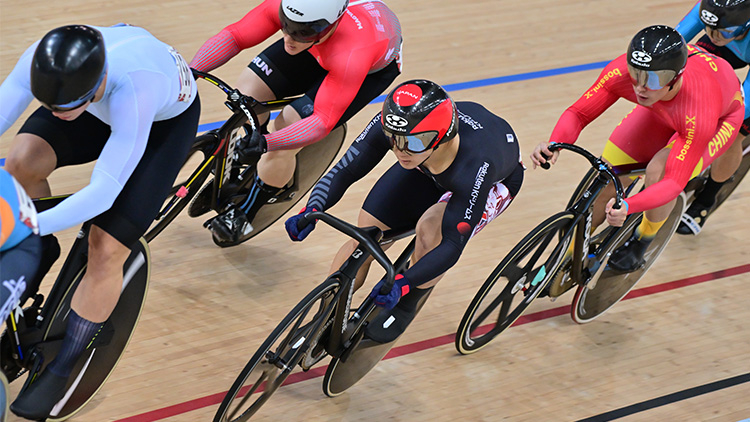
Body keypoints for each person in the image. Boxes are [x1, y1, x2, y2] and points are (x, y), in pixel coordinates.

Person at [0, 24, 200, 419]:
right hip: (93, 103)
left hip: (160, 124)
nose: (57, 116)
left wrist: (24, 225)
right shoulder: (44, 61)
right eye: (51, 105)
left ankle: (65, 365)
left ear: (99, 81)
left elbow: (101, 193)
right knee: (21, 161)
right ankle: (39, 254)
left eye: (63, 107)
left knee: (105, 246)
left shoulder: (136, 88)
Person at [284, 80, 524, 342]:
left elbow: (454, 244)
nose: (400, 150)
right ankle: (326, 312)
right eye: (393, 140)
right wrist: (312, 207)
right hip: (426, 166)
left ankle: (407, 307)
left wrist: (403, 283)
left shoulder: (476, 165)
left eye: (413, 143)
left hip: (489, 180)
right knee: (364, 236)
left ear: (441, 137)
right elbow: (346, 169)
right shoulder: (403, 131)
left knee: (431, 231)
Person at [530, 25, 744, 273]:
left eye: (652, 79)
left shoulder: (699, 109)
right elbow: (578, 113)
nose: (640, 87)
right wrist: (555, 143)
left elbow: (674, 183)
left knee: (659, 172)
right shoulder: (623, 73)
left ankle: (643, 239)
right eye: (636, 74)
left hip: (719, 118)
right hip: (665, 109)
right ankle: (563, 258)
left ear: (675, 78)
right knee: (610, 174)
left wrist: (629, 206)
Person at [189, 0, 403, 247]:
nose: (289, 38)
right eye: (286, 25)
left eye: (301, 31)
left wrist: (267, 143)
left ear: (331, 24)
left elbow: (321, 121)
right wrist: (190, 71)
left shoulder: (354, 52)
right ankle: (249, 145)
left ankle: (246, 211)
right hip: (317, 46)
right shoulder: (292, 13)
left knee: (287, 126)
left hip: (362, 68)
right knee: (247, 90)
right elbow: (236, 36)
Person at [674, 0, 750, 234]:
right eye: (708, 27)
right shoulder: (713, 10)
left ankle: (707, 198)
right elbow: (673, 44)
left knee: (733, 134)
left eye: (723, 31)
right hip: (734, 39)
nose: (714, 36)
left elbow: (744, 105)